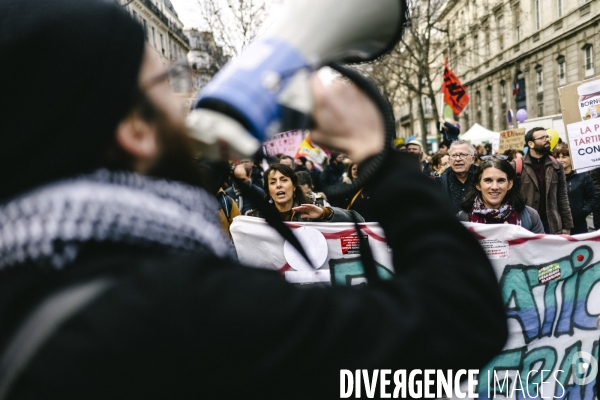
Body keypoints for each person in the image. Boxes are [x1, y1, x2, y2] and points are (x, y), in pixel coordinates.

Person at [0, 1, 507, 398]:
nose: (181, 107)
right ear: (135, 129)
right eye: (164, 84)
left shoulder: (31, 281)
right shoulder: (177, 310)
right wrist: (379, 157)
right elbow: (459, 318)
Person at [457, 156, 544, 233]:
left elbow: (539, 249)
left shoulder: (529, 217)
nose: (494, 187)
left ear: (510, 184)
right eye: (488, 180)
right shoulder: (462, 219)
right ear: (478, 185)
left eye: (501, 180)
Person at [247, 164, 361, 222]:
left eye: (284, 180)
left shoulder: (314, 208)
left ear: (294, 187)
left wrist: (324, 213)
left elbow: (358, 219)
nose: (278, 185)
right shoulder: (255, 217)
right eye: (272, 182)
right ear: (268, 191)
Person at [513, 128, 573, 234]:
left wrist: (566, 226)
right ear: (531, 144)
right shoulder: (517, 166)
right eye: (542, 137)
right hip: (526, 224)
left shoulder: (557, 166)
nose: (546, 139)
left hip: (551, 224)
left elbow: (562, 197)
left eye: (547, 137)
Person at [554, 144, 599, 234]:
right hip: (558, 225)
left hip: (578, 225)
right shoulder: (552, 177)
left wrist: (582, 212)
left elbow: (593, 198)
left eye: (564, 157)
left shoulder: (583, 177)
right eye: (557, 157)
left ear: (572, 158)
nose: (560, 160)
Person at [437, 140, 478, 213]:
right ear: (449, 160)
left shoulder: (482, 178)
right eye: (454, 155)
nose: (458, 159)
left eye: (463, 155)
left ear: (472, 159)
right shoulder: (439, 182)